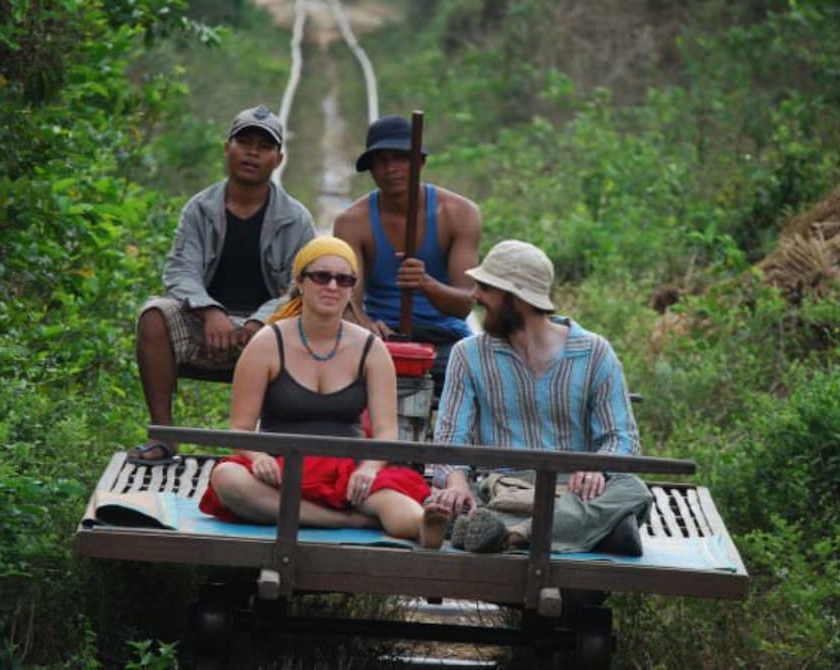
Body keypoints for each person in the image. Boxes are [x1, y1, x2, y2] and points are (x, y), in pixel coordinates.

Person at [198, 237, 451, 548]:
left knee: (391, 498)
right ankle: (345, 520)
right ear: (300, 282)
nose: (332, 286)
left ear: (352, 289)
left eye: (344, 280)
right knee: (227, 478)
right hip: (282, 465)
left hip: (347, 467)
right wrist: (258, 456)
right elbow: (239, 427)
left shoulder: (371, 348)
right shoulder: (267, 342)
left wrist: (370, 468)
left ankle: (423, 527)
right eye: (321, 276)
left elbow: (386, 431)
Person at [430, 240, 652, 556]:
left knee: (632, 490)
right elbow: (451, 438)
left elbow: (622, 437)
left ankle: (513, 535)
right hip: (501, 487)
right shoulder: (468, 354)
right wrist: (456, 484)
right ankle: (599, 531)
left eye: (486, 287)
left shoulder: (594, 352)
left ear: (517, 298)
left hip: (575, 490)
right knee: (443, 502)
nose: (475, 295)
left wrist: (597, 467)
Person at [129, 105, 316, 465]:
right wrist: (210, 310)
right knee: (154, 315)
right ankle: (164, 435)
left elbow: (298, 287)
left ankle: (273, 445)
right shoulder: (199, 208)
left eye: (264, 146)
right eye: (244, 143)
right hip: (206, 324)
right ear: (227, 148)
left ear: (278, 159)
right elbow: (180, 271)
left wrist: (261, 322)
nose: (252, 153)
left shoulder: (296, 218)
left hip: (269, 331)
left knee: (308, 323)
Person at [333, 114, 482, 392]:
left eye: (400, 158)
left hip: (444, 340)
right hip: (382, 338)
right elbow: (348, 304)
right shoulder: (352, 222)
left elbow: (464, 305)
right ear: (371, 169)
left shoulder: (460, 214)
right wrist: (366, 327)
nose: (391, 169)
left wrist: (426, 284)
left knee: (477, 386)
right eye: (381, 161)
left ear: (420, 162)